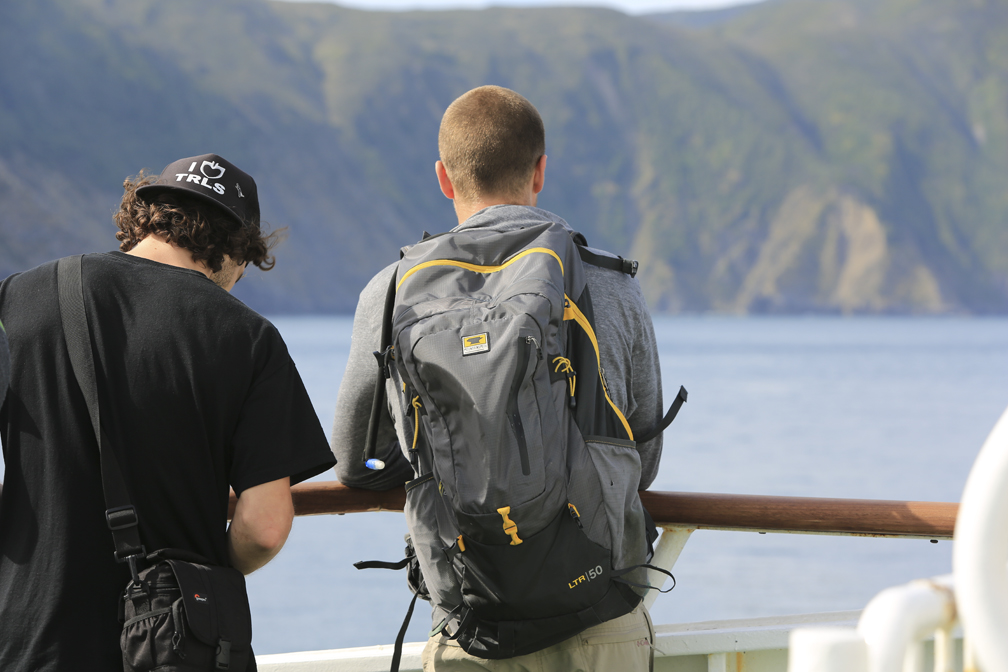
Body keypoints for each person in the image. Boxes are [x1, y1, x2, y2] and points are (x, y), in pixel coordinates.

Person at [332, 86, 665, 671]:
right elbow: (643, 450)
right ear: (540, 170)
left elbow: (354, 459)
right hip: (601, 600)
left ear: (443, 176)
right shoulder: (608, 282)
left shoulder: (391, 289)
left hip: (470, 612)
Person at [0, 154, 337, 671]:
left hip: (26, 634)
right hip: (166, 643)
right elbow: (265, 526)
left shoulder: (20, 296)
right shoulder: (248, 338)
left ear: (142, 219)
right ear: (237, 253)